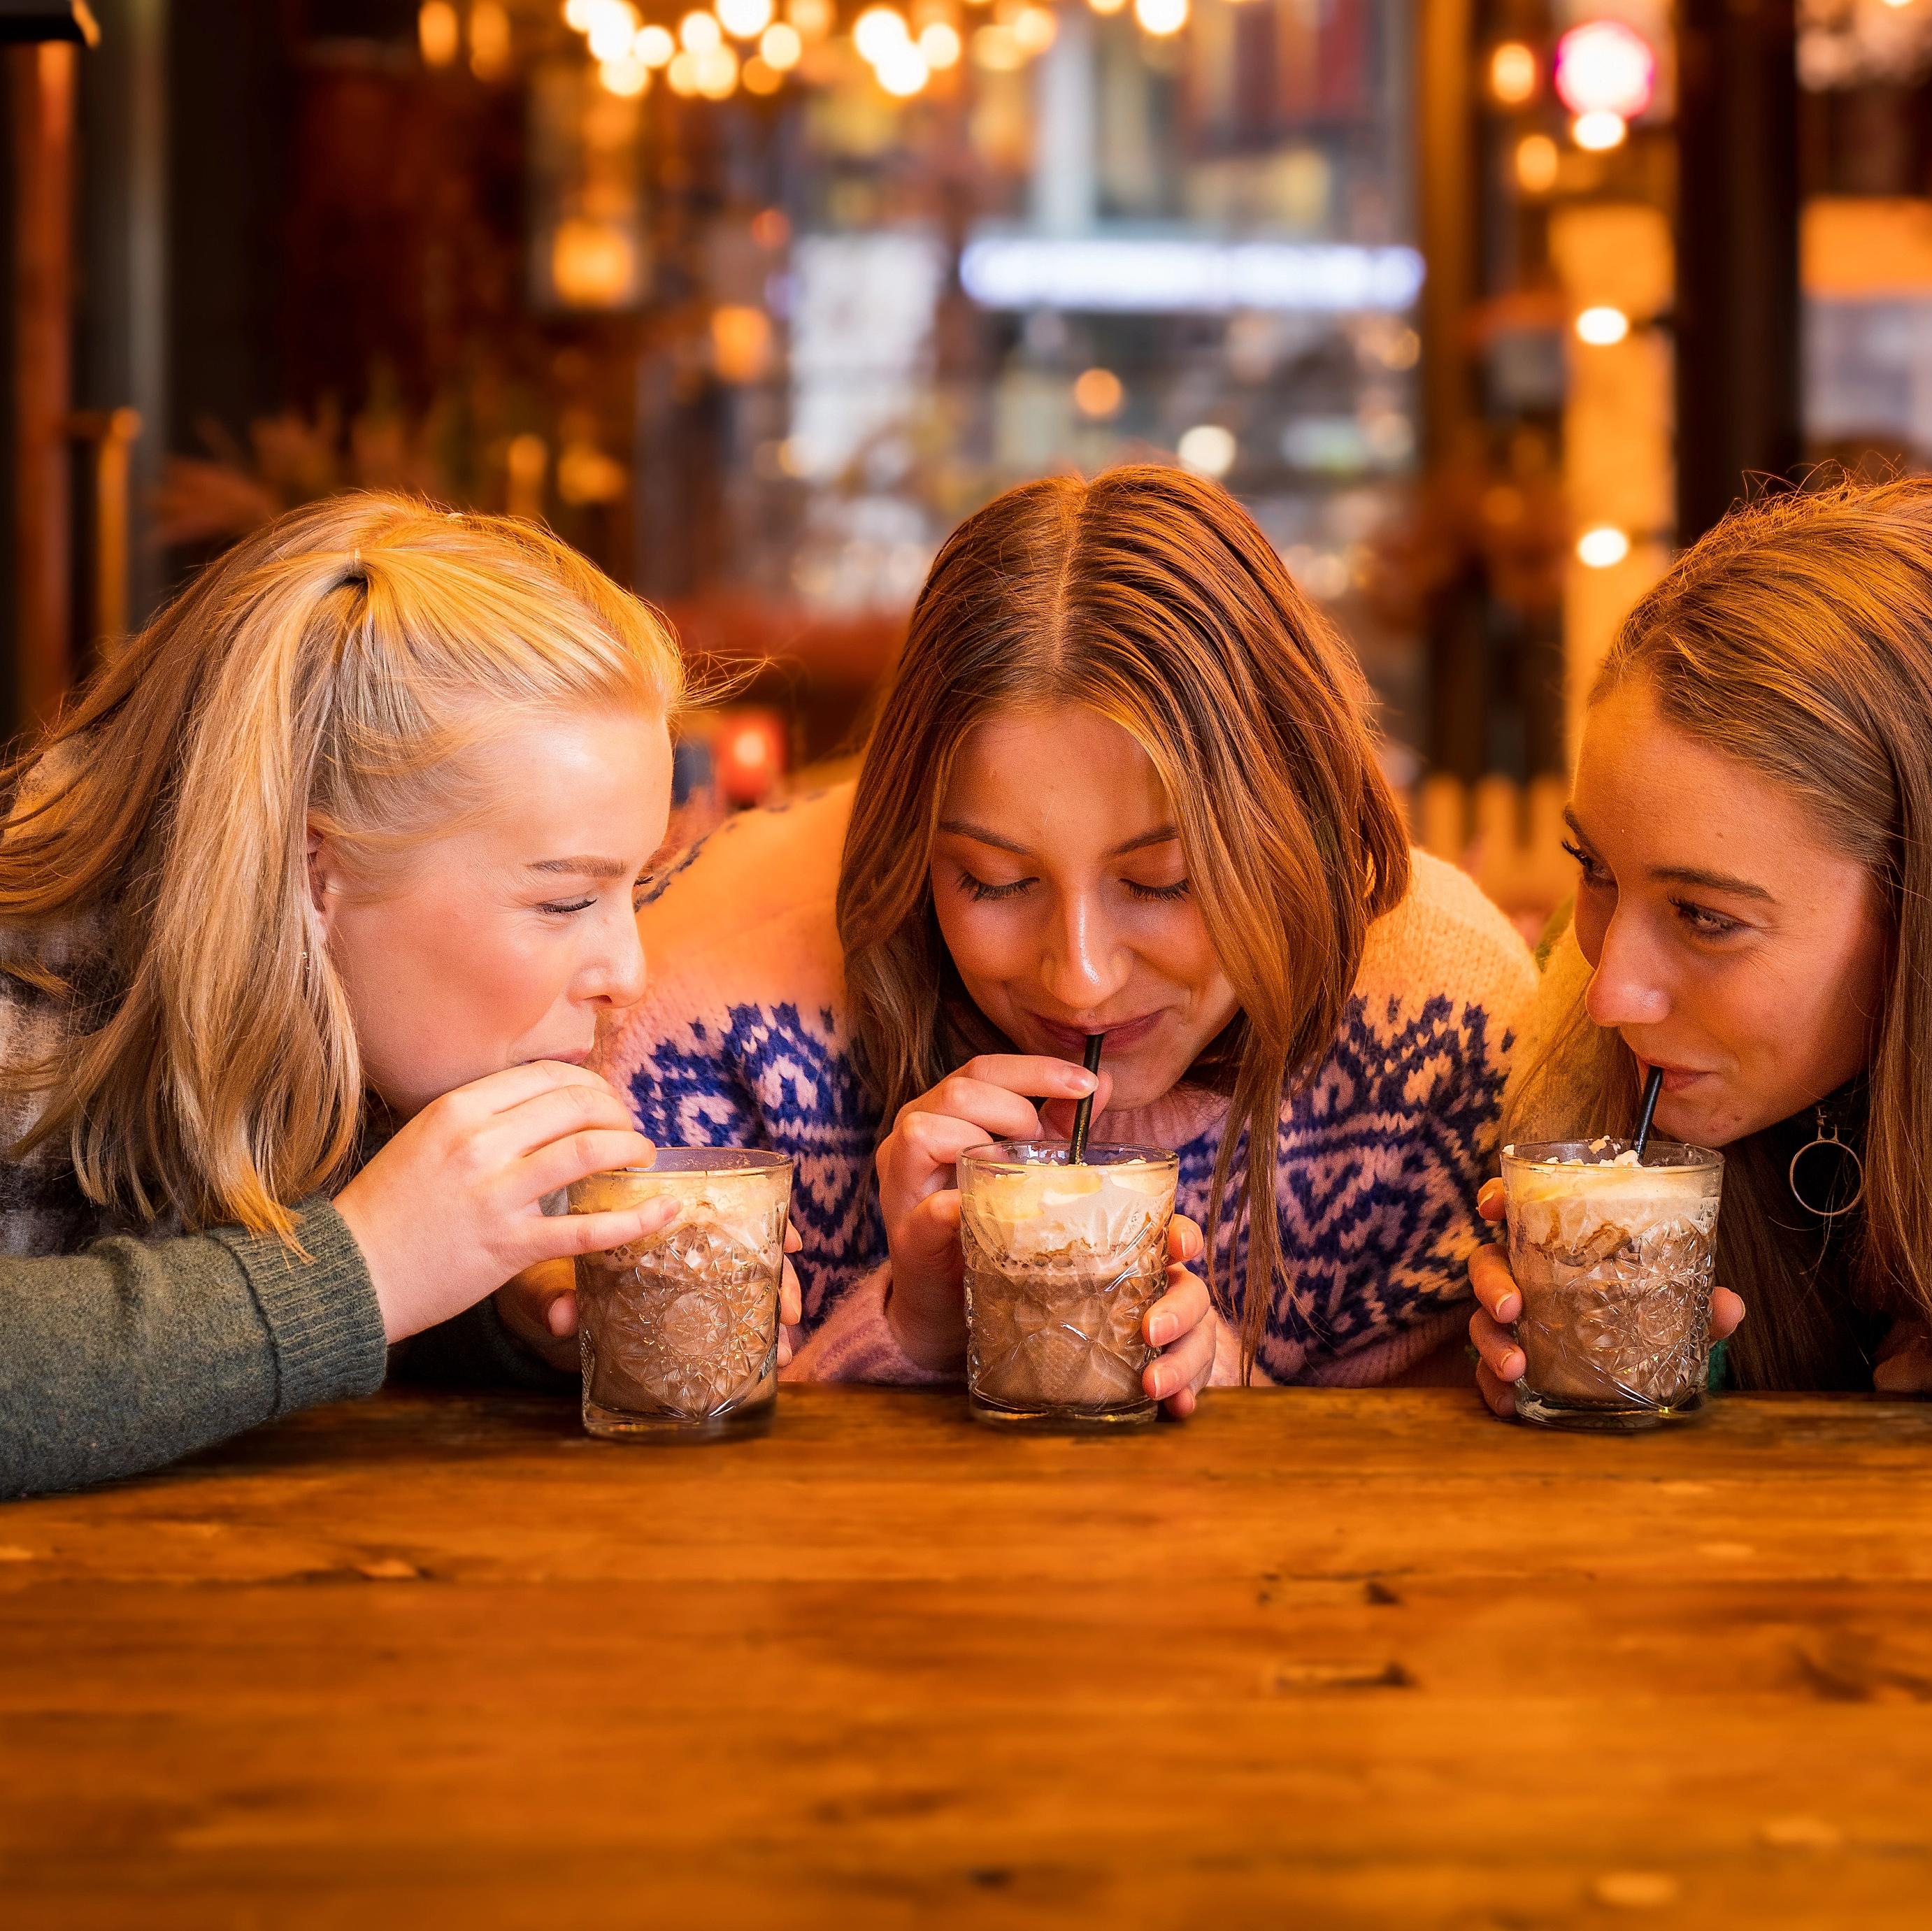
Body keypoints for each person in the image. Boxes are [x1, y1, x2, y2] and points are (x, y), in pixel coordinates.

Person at [543, 466, 1537, 1395]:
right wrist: (913, 1327)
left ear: (1291, 828)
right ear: (908, 839)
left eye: (1163, 882)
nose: (1081, 978)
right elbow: (668, 1497)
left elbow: (1457, 1499)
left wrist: (1227, 1382)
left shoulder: (1446, 1025)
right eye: (994, 880)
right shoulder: (710, 1036)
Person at [0, 492, 800, 1498]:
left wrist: (498, 1307)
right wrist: (361, 1271)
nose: (626, 973)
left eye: (629, 889)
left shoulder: (353, 1028)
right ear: (315, 873)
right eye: (563, 900)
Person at [1471, 473, 1932, 1421]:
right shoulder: (1569, 1013)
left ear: (1931, 911)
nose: (1607, 990)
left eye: (1705, 917)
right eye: (1594, 867)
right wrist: (1629, 1356)